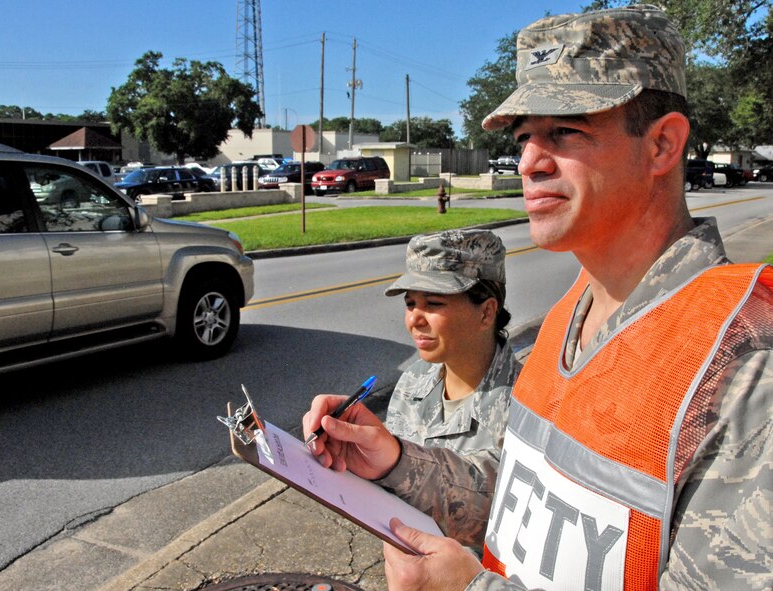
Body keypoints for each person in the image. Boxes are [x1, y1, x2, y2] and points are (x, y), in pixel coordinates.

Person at [303, 5, 772, 591]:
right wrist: (398, 462)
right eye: (525, 137)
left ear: (662, 145)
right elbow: (523, 494)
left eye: (566, 131)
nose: (528, 162)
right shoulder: (567, 319)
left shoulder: (749, 365)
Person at [383, 229, 520, 457]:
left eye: (434, 303)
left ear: (486, 313)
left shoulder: (525, 407)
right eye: (410, 303)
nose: (414, 320)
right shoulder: (413, 380)